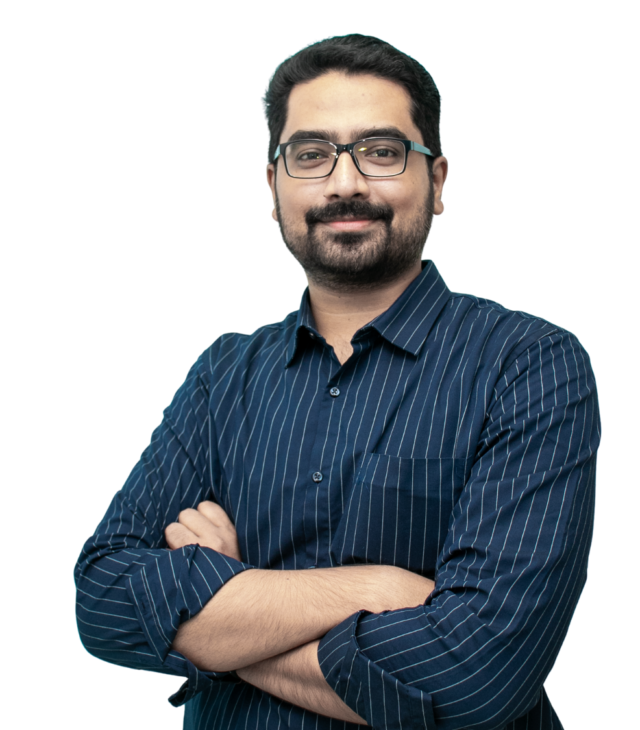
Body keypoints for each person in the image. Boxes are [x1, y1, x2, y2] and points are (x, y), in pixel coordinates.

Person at [74, 34, 600, 730]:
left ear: (437, 180)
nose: (345, 182)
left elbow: (475, 678)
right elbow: (103, 600)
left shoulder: (528, 365)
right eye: (310, 154)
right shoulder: (222, 376)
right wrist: (372, 587)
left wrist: (220, 615)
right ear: (274, 187)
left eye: (381, 151)